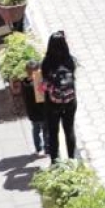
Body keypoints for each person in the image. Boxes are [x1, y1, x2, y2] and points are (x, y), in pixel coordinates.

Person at [37, 32, 78, 163]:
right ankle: (72, 160)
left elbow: (44, 86)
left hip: (52, 104)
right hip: (70, 102)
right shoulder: (70, 60)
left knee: (53, 133)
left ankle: (55, 162)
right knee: (69, 130)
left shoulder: (47, 62)